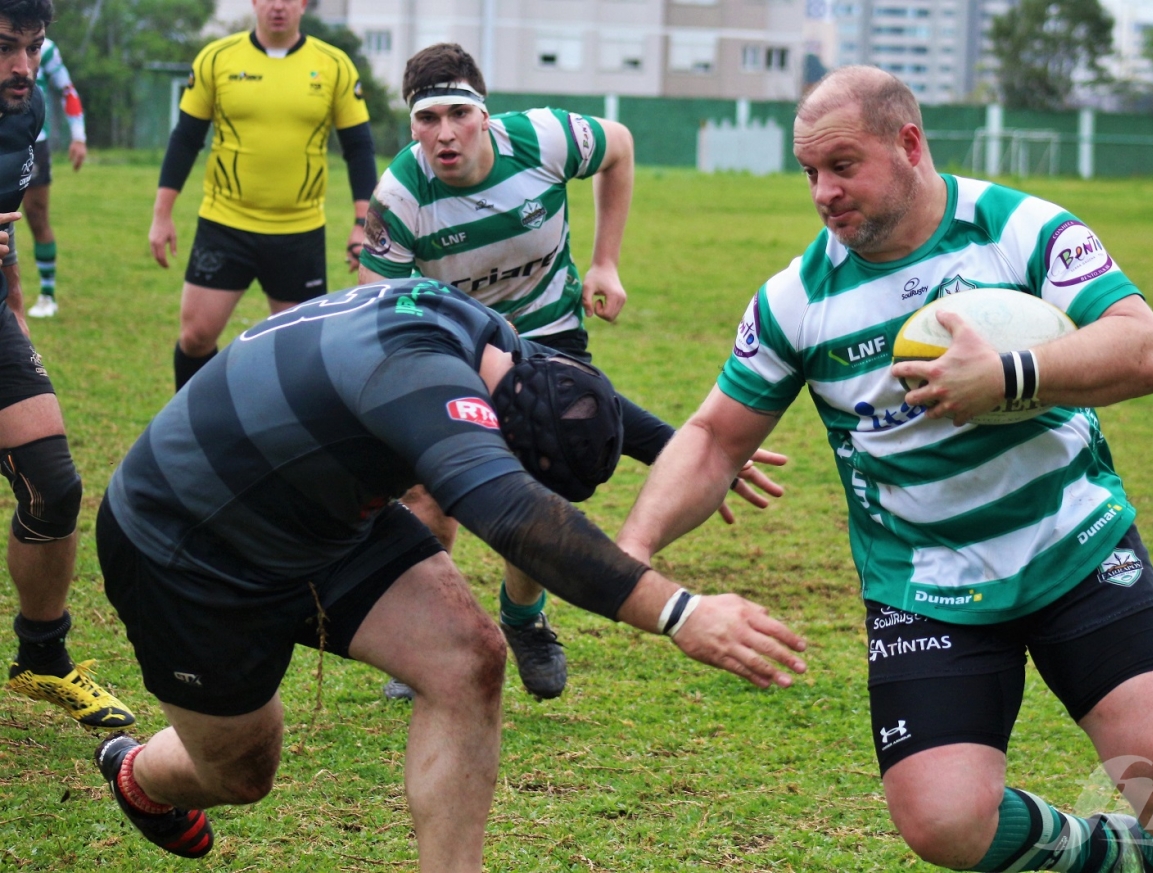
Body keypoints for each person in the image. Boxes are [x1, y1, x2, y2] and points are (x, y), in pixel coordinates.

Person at [616, 67, 1153, 873]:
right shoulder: (798, 300)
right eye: (809, 174)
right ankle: (1105, 853)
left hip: (1073, 546)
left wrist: (1010, 375)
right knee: (943, 822)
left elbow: (1150, 350)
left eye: (842, 166)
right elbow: (715, 438)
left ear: (908, 145)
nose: (823, 193)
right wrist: (630, 551)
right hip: (925, 580)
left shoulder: (1019, 229)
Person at [92, 277, 807, 867]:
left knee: (468, 659)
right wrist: (680, 612)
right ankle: (137, 775)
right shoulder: (413, 374)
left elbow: (581, 399)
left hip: (325, 519)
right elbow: (515, 514)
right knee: (240, 773)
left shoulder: (490, 342)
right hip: (189, 549)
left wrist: (688, 447)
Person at [358, 42, 781, 701]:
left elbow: (619, 146)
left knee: (536, 481)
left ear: (484, 112)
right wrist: (694, 448)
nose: (445, 133)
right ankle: (424, 634)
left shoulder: (542, 138)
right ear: (411, 123)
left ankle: (523, 617)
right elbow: (377, 315)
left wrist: (604, 261)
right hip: (452, 346)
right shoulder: (396, 201)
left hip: (548, 335)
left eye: (459, 114)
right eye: (427, 118)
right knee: (428, 498)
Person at [0, 0, 133, 729]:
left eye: (32, 47)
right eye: (4, 48)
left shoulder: (25, 112)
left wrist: (15, 306)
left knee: (53, 487)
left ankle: (42, 660)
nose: (22, 67)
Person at [148, 0, 376, 392]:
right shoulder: (216, 59)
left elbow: (358, 148)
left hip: (298, 232)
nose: (277, 6)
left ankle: (287, 444)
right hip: (225, 225)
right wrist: (162, 214)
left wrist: (362, 224)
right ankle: (193, 432)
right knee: (196, 337)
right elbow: (186, 139)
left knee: (301, 352)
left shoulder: (335, 65)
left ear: (304, 4)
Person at [22, 35, 85, 319]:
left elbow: (68, 91)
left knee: (36, 216)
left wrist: (79, 137)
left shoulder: (45, 50)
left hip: (33, 143)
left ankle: (47, 295)